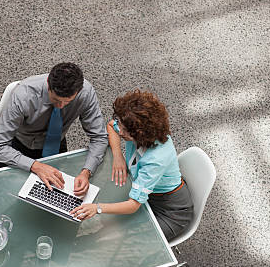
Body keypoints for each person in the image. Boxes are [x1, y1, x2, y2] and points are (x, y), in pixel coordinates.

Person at [70, 89, 194, 240]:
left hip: (172, 212)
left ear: (140, 133)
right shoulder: (139, 132)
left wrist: (98, 208)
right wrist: (118, 156)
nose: (120, 131)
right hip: (148, 194)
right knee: (109, 230)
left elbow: (133, 204)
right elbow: (111, 126)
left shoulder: (155, 159)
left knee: (128, 242)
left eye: (124, 130)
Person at [0, 62, 108, 195]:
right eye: (56, 100)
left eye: (67, 102)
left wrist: (86, 172)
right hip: (17, 143)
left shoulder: (86, 93)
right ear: (48, 84)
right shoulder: (23, 94)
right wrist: (36, 166)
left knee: (60, 198)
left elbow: (99, 137)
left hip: (55, 145)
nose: (60, 106)